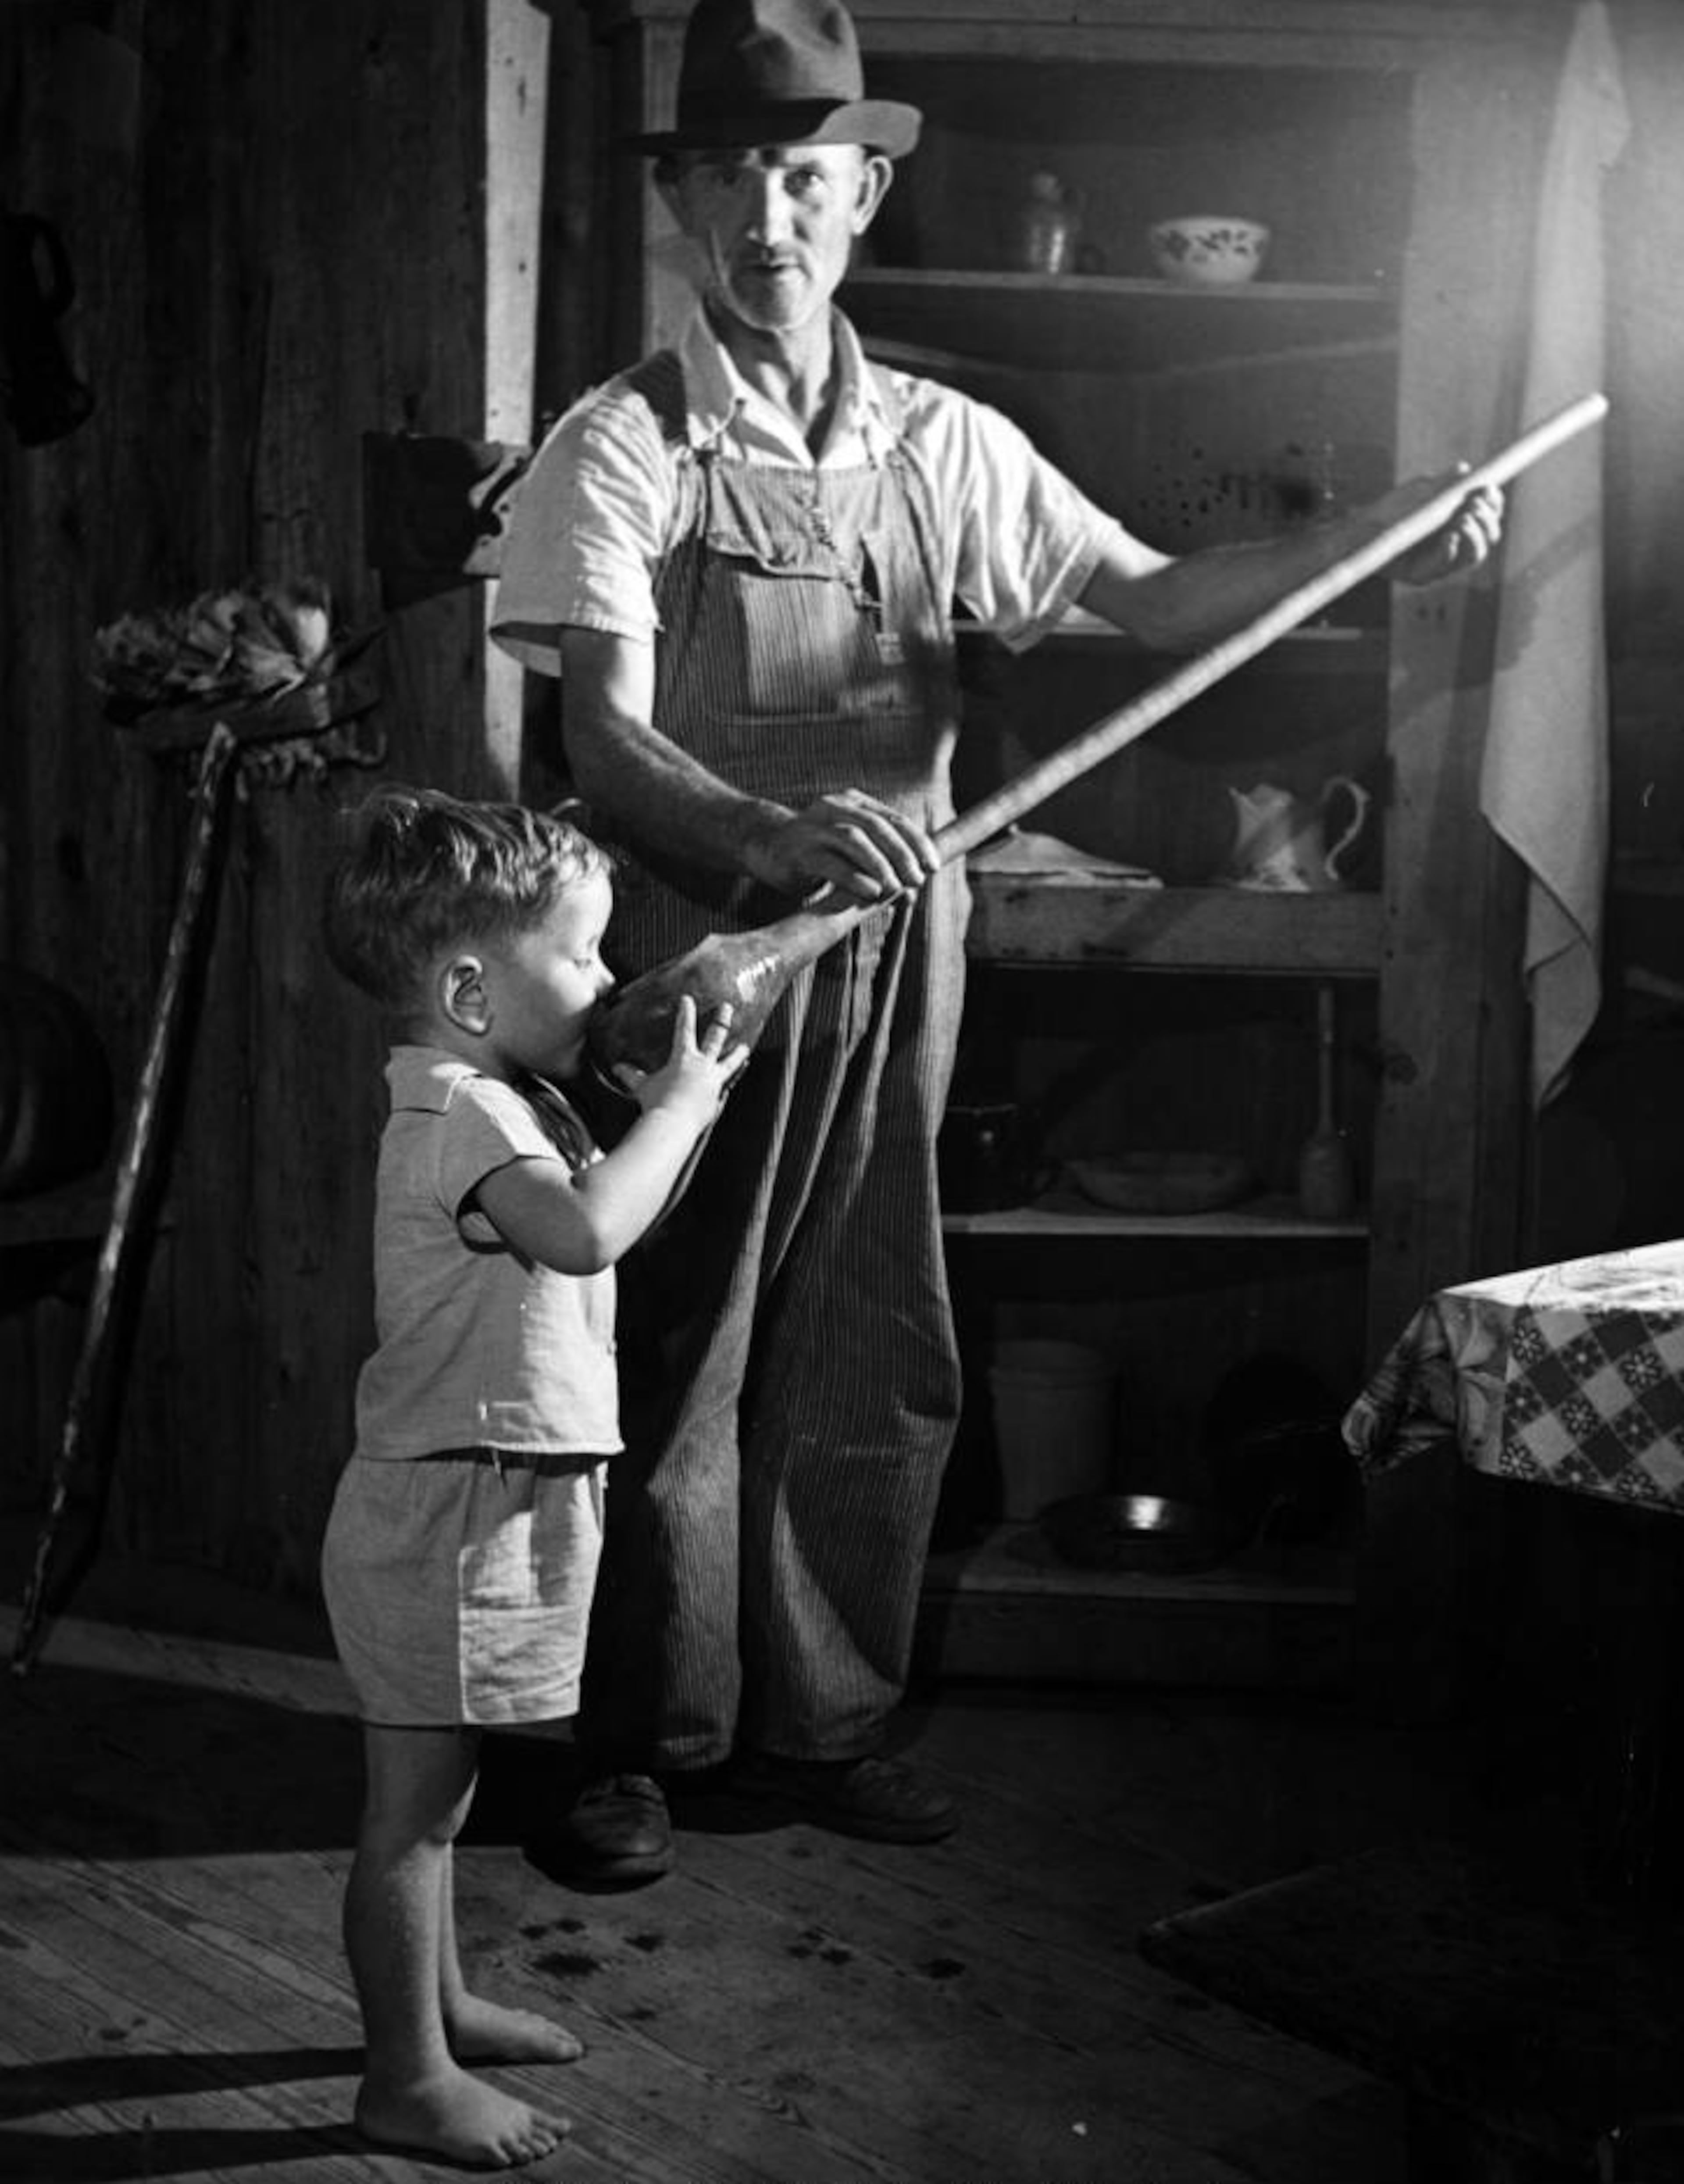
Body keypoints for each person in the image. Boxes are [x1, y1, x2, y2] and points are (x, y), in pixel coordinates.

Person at [490, 0, 1503, 1885]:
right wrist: (768, 833)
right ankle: (635, 1739)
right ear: (692, 206)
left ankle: (824, 1721)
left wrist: (1380, 529)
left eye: (807, 177)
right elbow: (602, 739)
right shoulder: (625, 445)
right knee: (674, 1335)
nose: (769, 219)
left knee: (874, 1327)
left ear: (863, 192)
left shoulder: (945, 445)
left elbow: (1165, 596)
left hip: (899, 950)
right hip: (710, 962)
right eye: (732, 181)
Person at [318, 785, 743, 2166]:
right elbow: (583, 1236)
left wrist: (662, 1121)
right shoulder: (462, 1114)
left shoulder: (495, 1098)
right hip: (446, 1508)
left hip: (480, 1493)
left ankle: (433, 2007)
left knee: (442, 1803)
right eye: (584, 953)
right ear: (464, 984)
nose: (612, 979)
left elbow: (598, 1225)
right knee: (413, 1819)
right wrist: (675, 1114)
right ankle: (405, 2079)